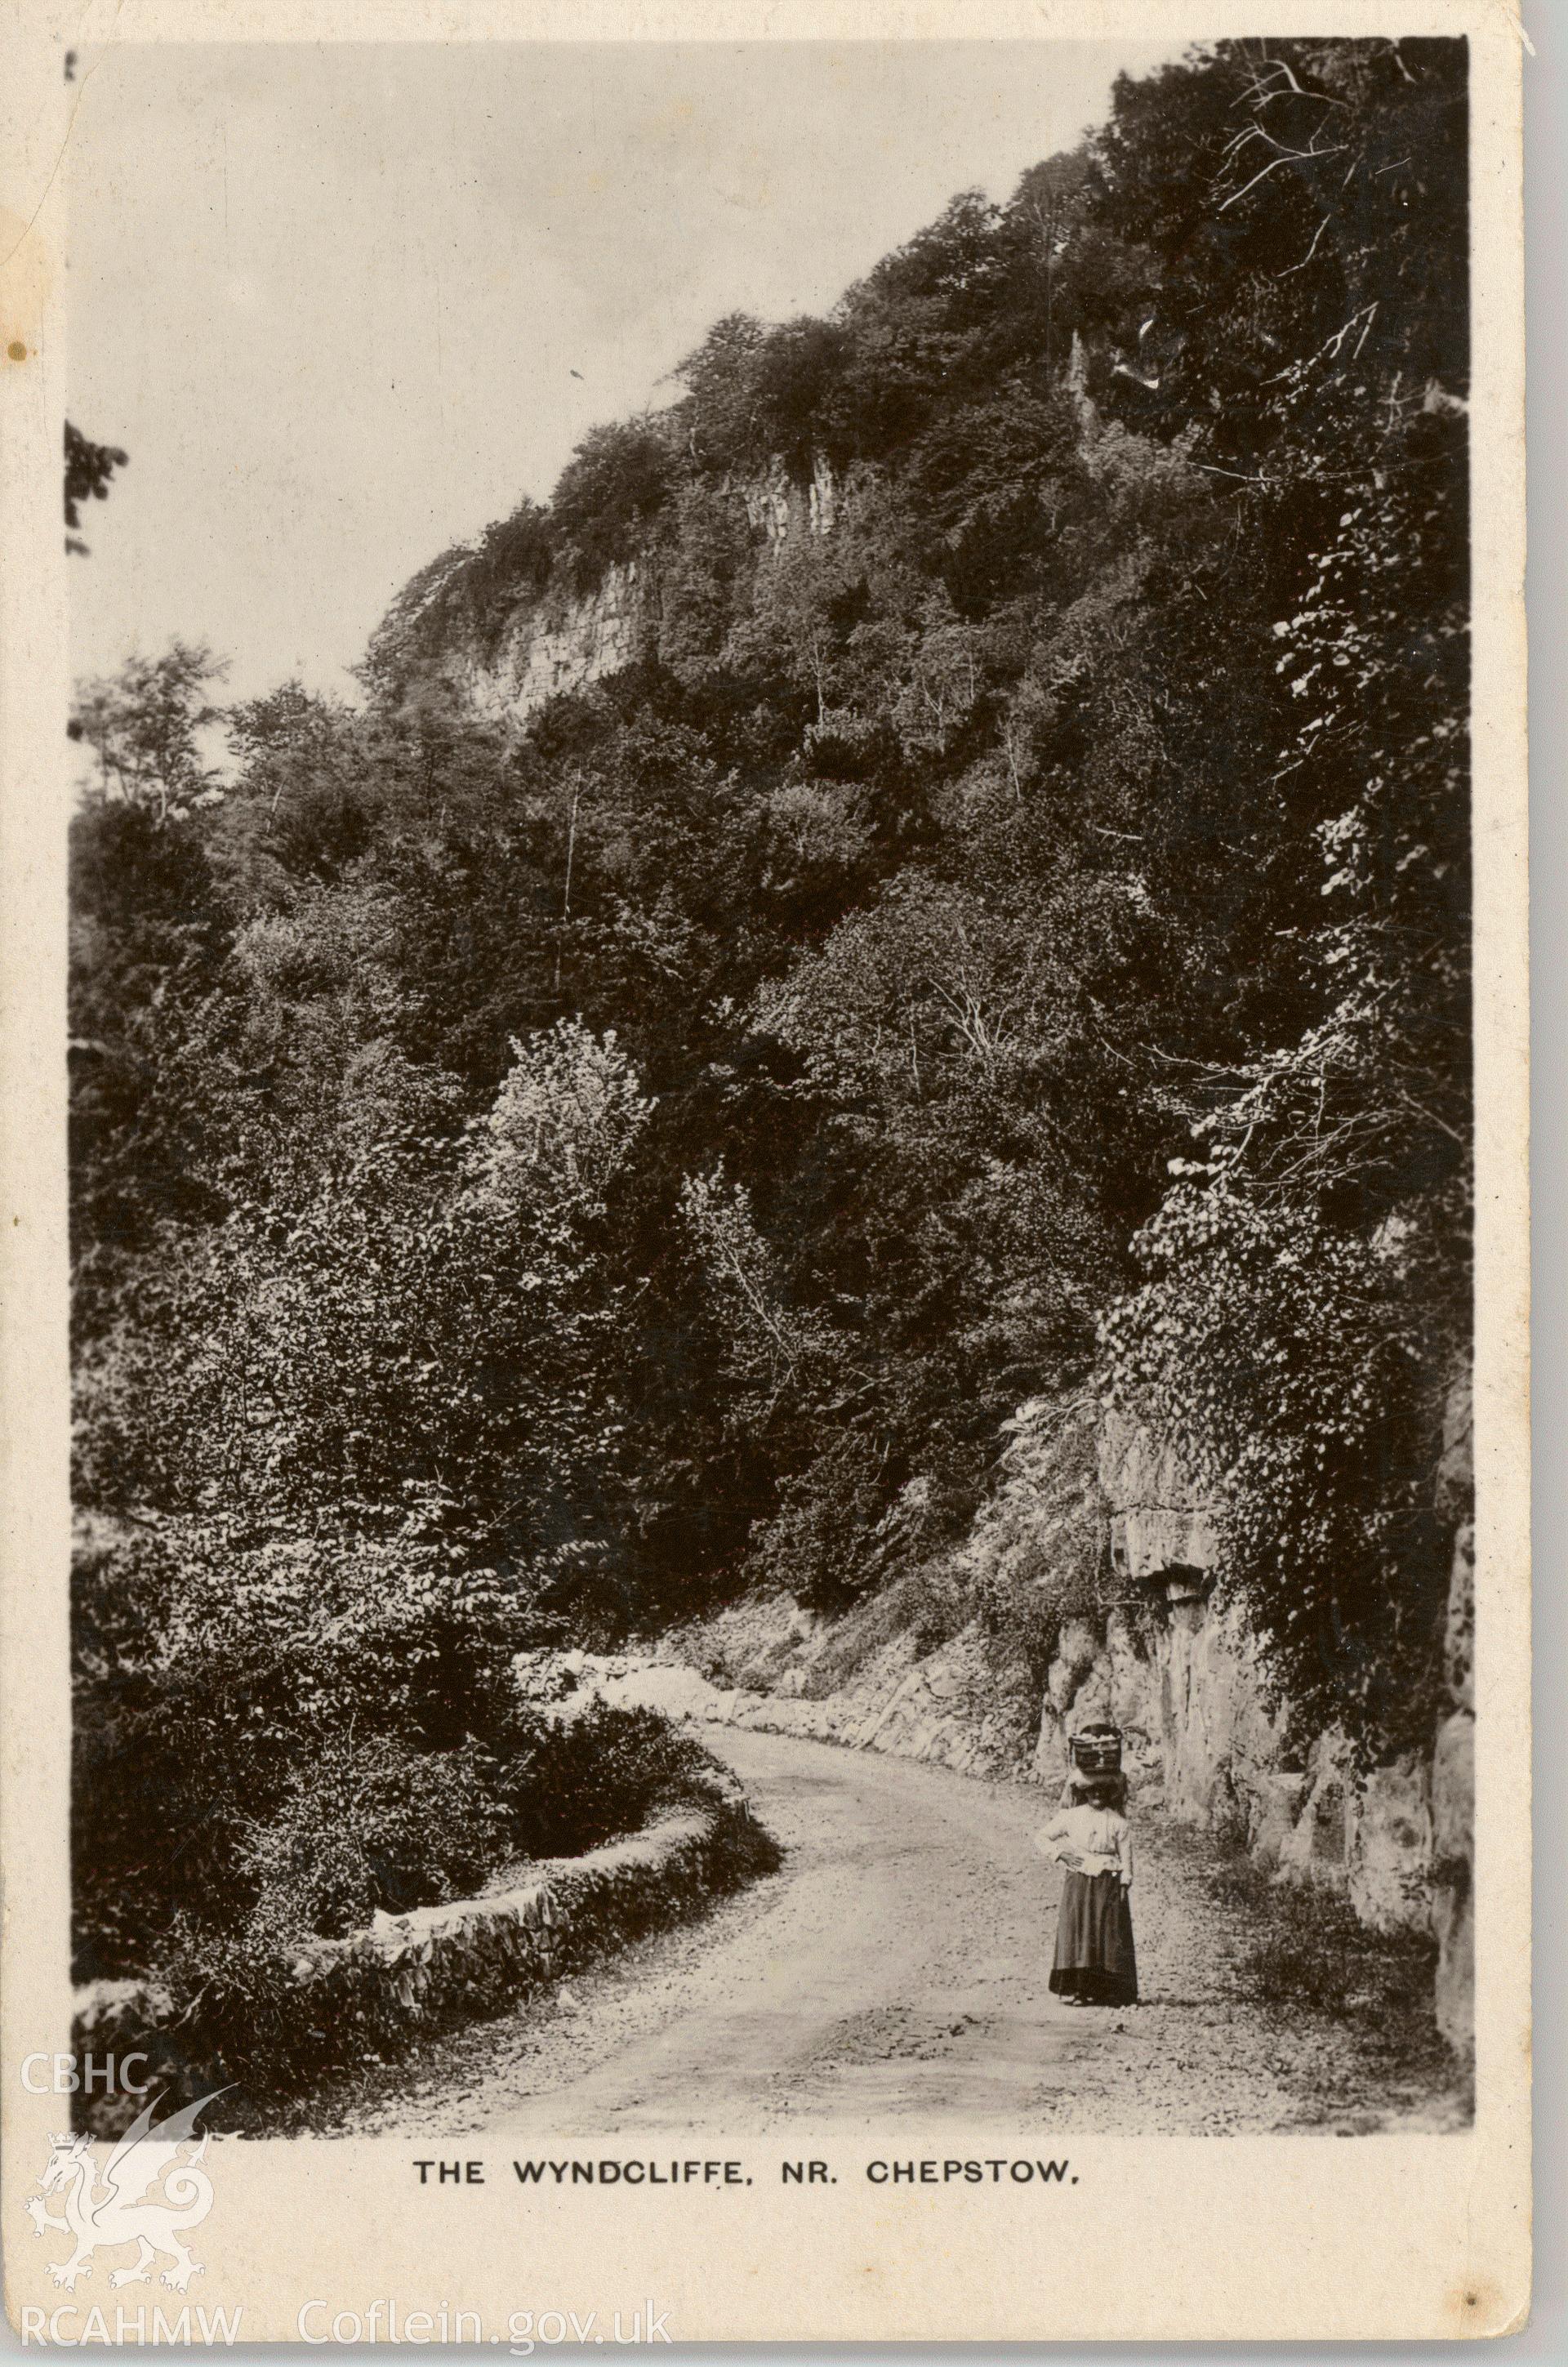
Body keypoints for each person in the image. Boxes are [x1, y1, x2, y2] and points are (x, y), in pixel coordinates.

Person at [1036, 1770, 1138, 2008]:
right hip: (1079, 1879)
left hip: (1108, 1881)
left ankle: (1107, 1991)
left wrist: (1124, 1884)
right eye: (1092, 1790)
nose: (1097, 1794)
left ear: (1110, 1794)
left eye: (1102, 1790)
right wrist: (1061, 1855)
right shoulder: (1070, 1816)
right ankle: (1080, 1989)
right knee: (1080, 1932)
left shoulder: (1118, 1822)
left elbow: (1126, 1859)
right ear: (1084, 1792)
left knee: (1108, 1934)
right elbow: (1041, 1837)